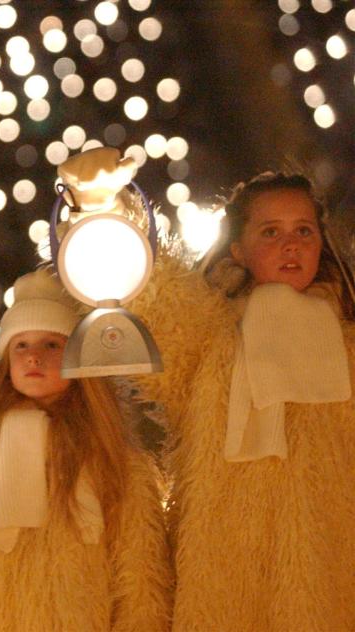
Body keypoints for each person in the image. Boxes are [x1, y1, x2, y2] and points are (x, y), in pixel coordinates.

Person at [130, 171, 355, 629]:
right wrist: (102, 207)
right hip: (224, 589)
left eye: (303, 231)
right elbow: (149, 293)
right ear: (238, 249)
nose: (290, 244)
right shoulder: (206, 340)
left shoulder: (350, 351)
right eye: (270, 231)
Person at [0, 267, 172, 631]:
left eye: (51, 344)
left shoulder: (110, 458)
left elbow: (140, 567)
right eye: (21, 345)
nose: (34, 357)